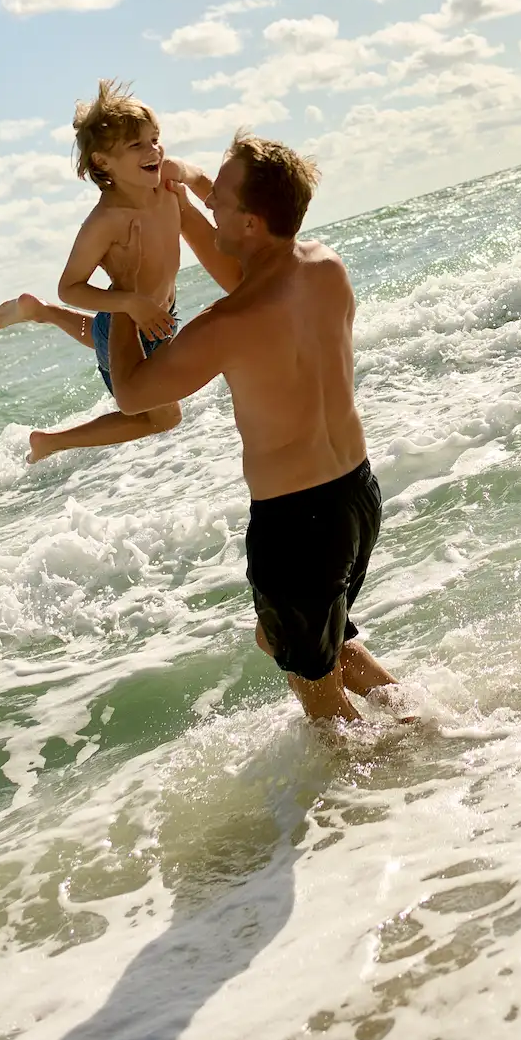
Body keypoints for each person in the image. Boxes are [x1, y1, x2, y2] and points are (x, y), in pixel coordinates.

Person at [104, 131, 403, 727]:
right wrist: (184, 191)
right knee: (313, 641)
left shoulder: (231, 321)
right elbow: (248, 264)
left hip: (296, 526)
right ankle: (423, 722)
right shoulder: (325, 267)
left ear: (252, 221)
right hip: (357, 499)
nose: (211, 200)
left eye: (222, 195)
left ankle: (379, 788)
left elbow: (134, 393)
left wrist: (124, 297)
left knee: (319, 703)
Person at [0, 80, 241, 463]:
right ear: (102, 162)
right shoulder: (105, 222)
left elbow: (205, 184)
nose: (153, 150)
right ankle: (51, 442)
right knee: (162, 416)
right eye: (136, 145)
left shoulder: (167, 177)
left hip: (153, 313)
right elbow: (70, 286)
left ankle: (40, 313)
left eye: (155, 139)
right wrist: (132, 302)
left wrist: (215, 206)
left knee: (102, 335)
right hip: (133, 312)